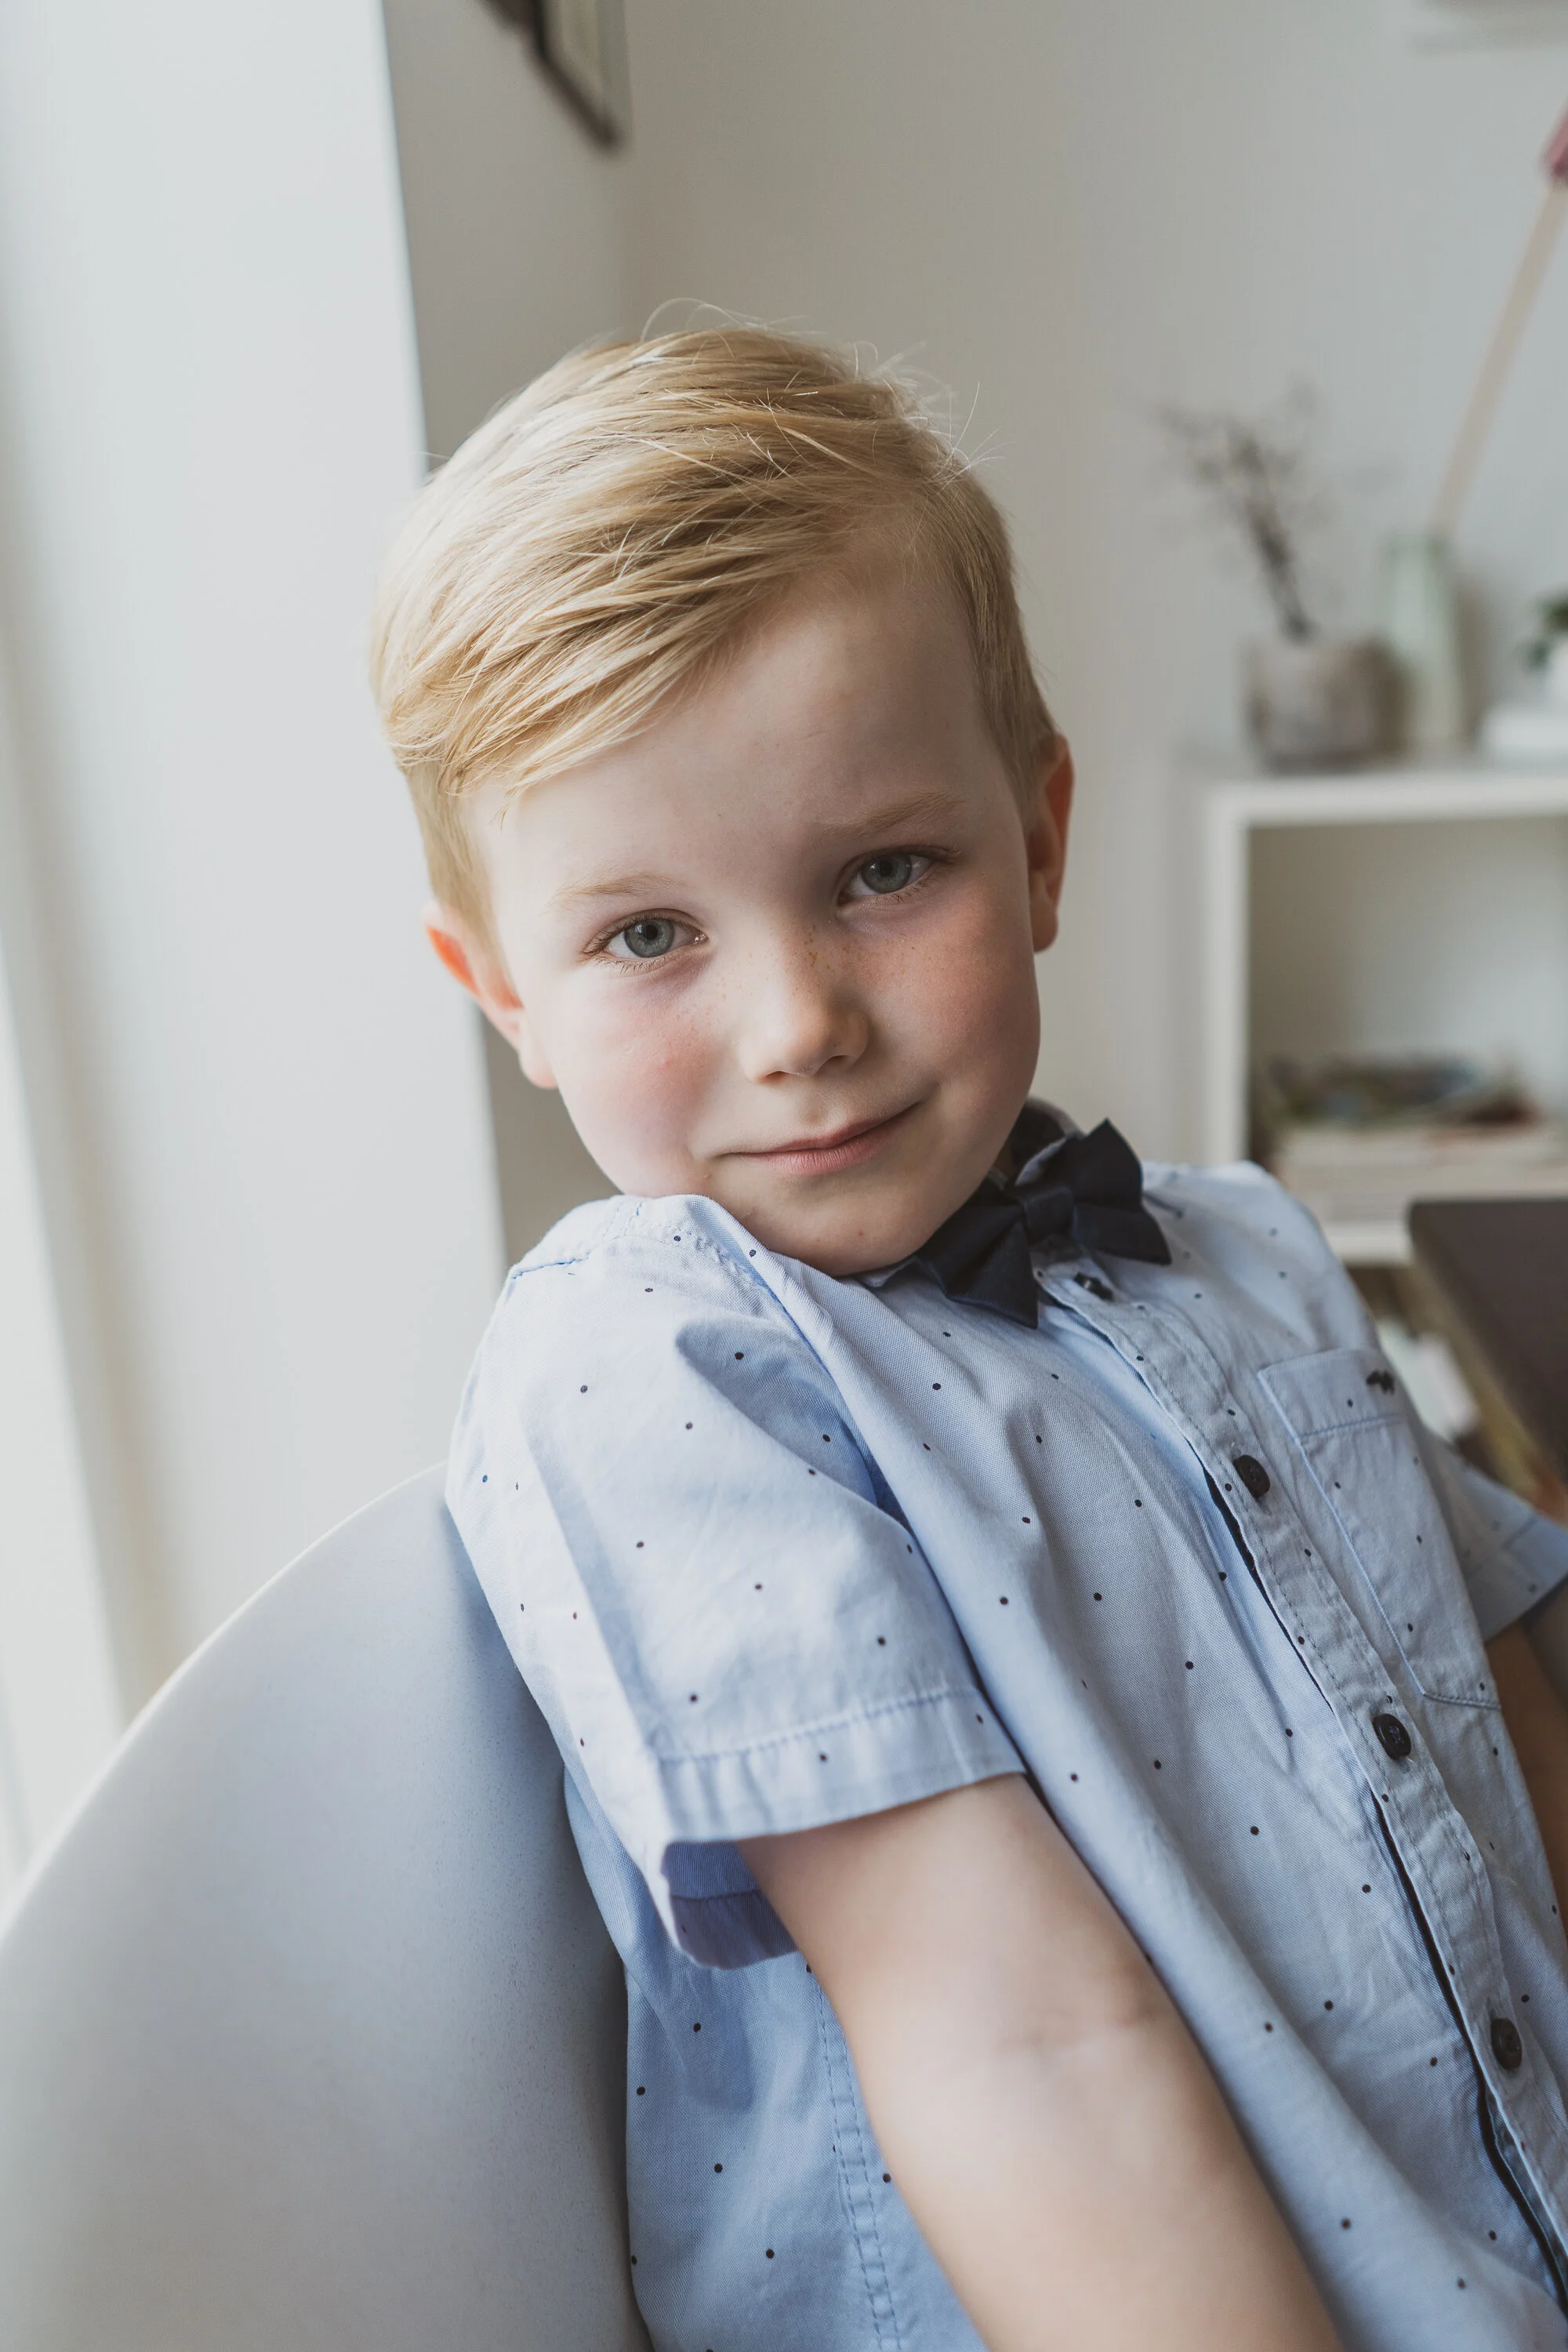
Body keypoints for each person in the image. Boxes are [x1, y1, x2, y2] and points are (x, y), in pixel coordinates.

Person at [369, 328, 1568, 2352]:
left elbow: (1515, 1736)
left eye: (883, 872)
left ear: (1043, 842)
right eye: (648, 934)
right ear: (503, 992)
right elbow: (1022, 2045)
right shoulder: (653, 1368)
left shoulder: (1252, 1251)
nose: (799, 1025)